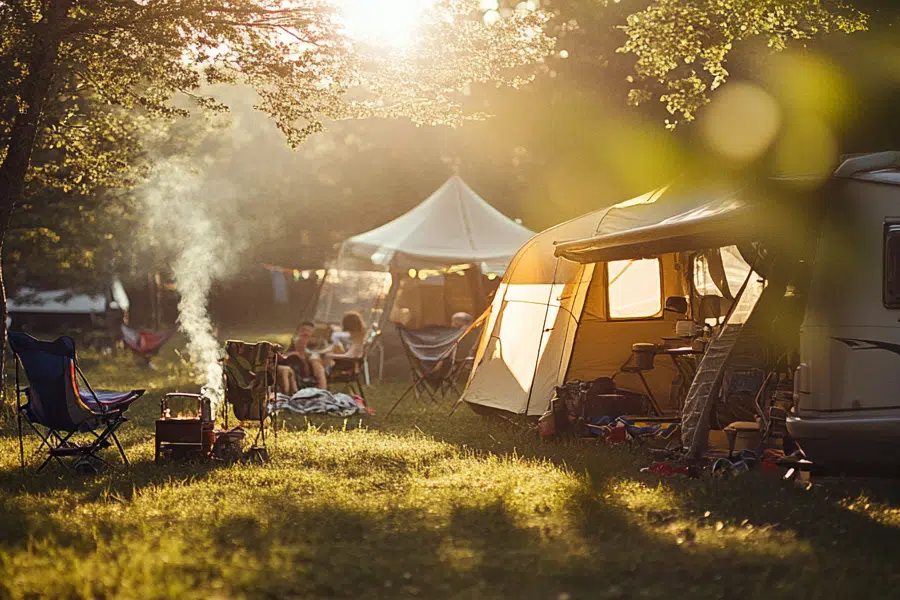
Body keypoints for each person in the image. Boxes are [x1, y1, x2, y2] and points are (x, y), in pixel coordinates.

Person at [277, 321, 328, 394]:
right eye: (304, 330)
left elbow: (314, 361)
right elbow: (281, 356)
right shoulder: (288, 345)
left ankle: (322, 393)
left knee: (317, 364)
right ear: (298, 332)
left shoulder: (310, 353)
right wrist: (293, 354)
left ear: (311, 336)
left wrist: (307, 359)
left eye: (309, 331)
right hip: (291, 370)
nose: (306, 333)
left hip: (305, 375)